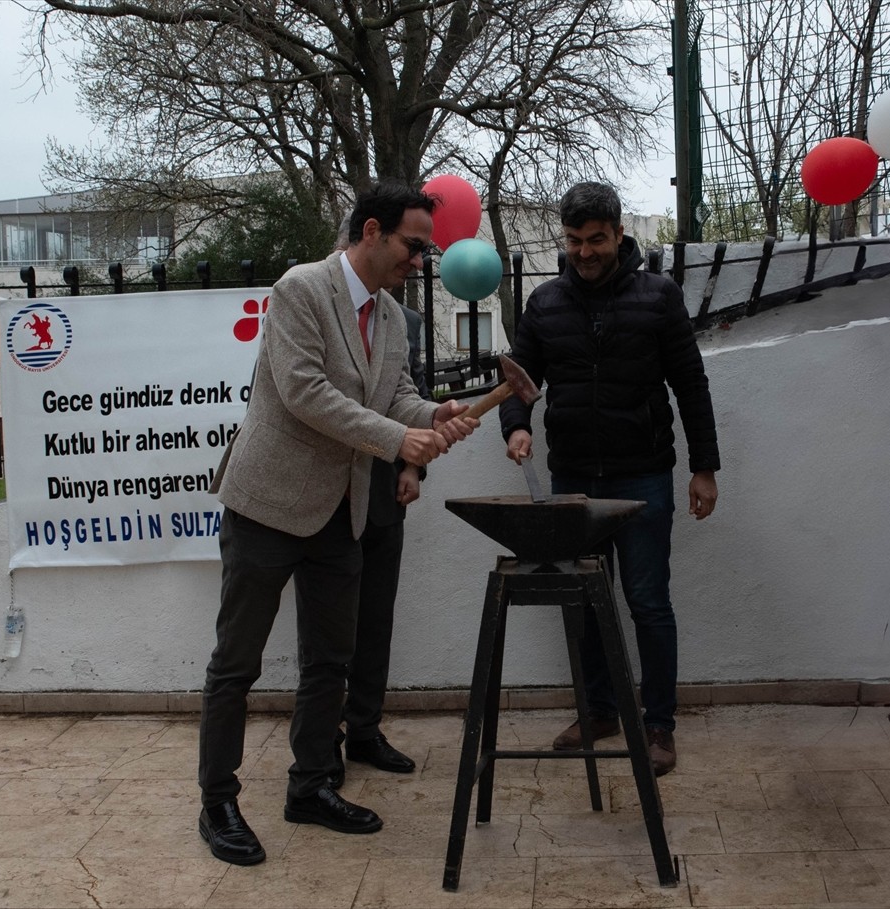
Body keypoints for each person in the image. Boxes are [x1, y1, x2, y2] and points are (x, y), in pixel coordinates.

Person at [198, 182, 478, 865]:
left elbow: (397, 392)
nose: (422, 259)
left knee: (330, 659)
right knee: (237, 662)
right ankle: (217, 800)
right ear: (373, 231)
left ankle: (311, 785)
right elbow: (304, 392)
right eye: (415, 245)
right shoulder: (302, 289)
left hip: (339, 512)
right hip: (266, 506)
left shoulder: (388, 314)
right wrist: (395, 439)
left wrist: (431, 416)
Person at [499, 181, 720, 777]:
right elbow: (519, 382)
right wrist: (516, 428)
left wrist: (705, 468)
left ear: (620, 234)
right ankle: (598, 711)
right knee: (585, 603)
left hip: (644, 474)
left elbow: (690, 384)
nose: (585, 251)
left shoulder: (659, 297)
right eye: (574, 241)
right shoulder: (543, 304)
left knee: (647, 601)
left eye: (596, 239)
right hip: (572, 477)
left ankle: (658, 726)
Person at [328, 303, 429, 787]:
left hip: (384, 495)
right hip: (326, 497)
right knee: (327, 628)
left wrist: (413, 467)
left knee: (375, 620)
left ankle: (364, 730)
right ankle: (322, 740)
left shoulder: (402, 322)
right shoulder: (309, 308)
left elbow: (416, 398)